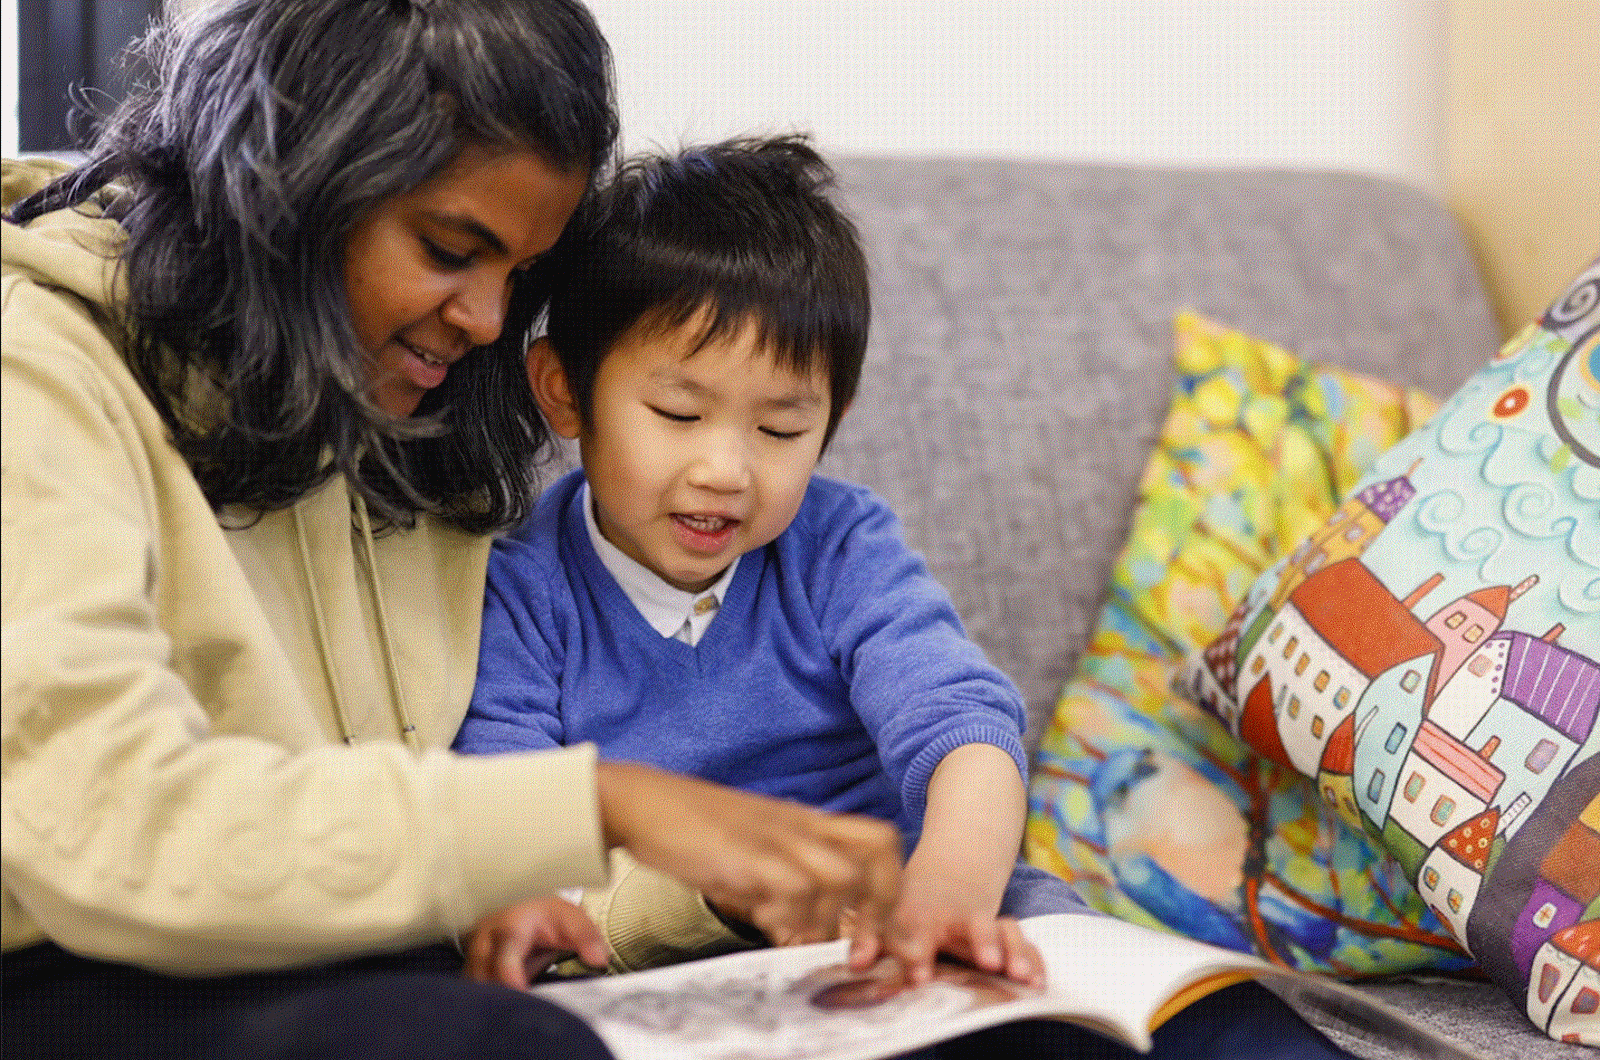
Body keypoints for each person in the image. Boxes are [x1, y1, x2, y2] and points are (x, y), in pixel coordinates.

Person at [0, 4, 906, 1059]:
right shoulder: (38, 376)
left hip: (340, 959)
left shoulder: (409, 402)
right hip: (72, 967)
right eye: (448, 249)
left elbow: (382, 811)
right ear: (290, 184)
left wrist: (570, 898)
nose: (485, 318)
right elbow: (106, 825)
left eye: (520, 275)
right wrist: (602, 802)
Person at [453, 135, 1356, 1060]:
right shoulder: (521, 589)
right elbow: (514, 813)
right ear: (565, 393)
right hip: (684, 967)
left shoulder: (840, 548)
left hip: (918, 921)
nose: (725, 470)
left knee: (1207, 1019)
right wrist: (562, 913)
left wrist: (946, 897)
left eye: (780, 427)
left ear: (831, 424)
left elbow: (963, 728)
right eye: (678, 415)